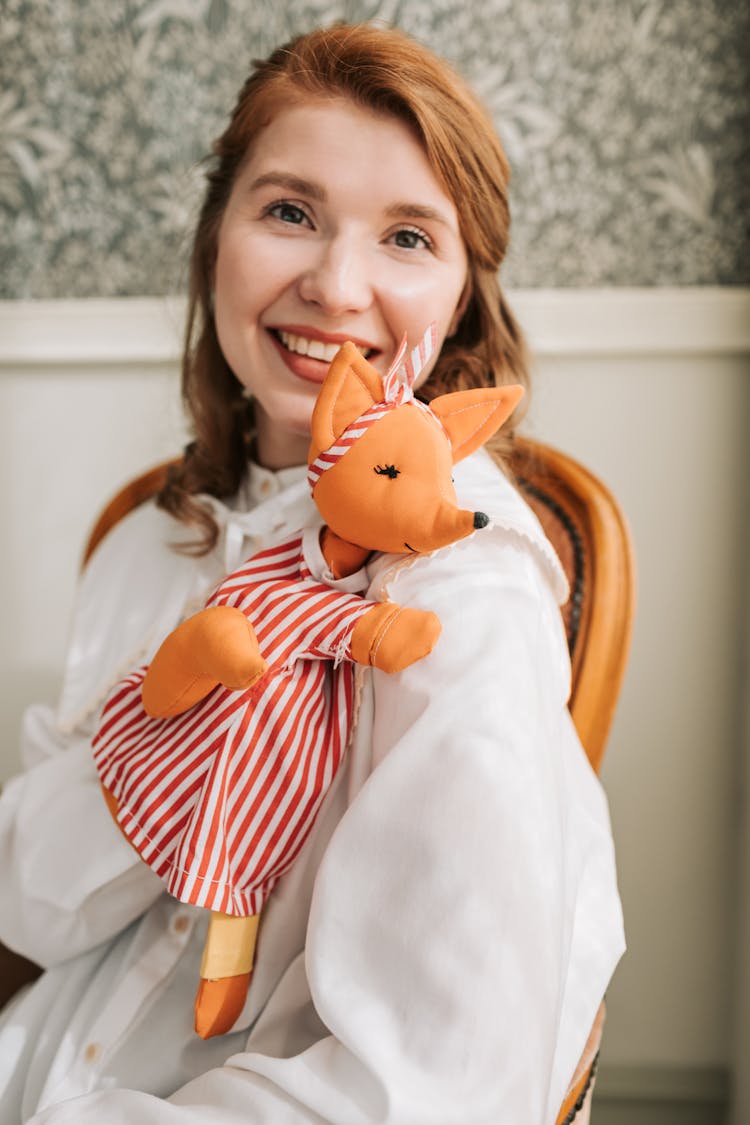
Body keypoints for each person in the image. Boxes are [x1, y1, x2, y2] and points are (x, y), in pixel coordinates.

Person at [0, 22, 624, 1125]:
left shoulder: (459, 582)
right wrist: (160, 730)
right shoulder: (150, 538)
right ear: (215, 239)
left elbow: (436, 1085)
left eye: (407, 238)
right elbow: (29, 906)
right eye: (289, 212)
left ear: (464, 296)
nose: (336, 288)